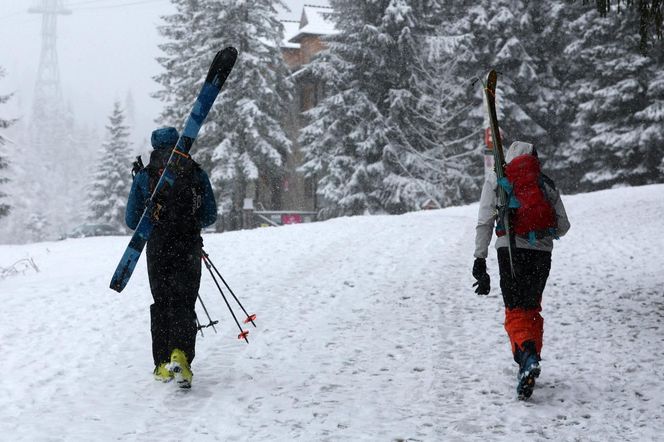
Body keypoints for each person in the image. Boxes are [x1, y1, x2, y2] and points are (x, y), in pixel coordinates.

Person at [473, 141, 570, 400]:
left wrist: (479, 260)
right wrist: (540, 231)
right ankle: (531, 358)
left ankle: (526, 356)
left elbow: (484, 221)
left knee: (515, 311)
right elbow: (564, 225)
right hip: (541, 253)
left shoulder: (499, 180)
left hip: (511, 251)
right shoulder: (544, 183)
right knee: (532, 308)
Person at [125, 127, 217, 388]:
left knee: (163, 302)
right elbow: (210, 216)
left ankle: (162, 362)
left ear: (154, 146)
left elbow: (132, 220)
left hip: (158, 249)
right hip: (188, 247)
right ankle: (182, 357)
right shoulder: (195, 173)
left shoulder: (144, 176)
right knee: (184, 303)